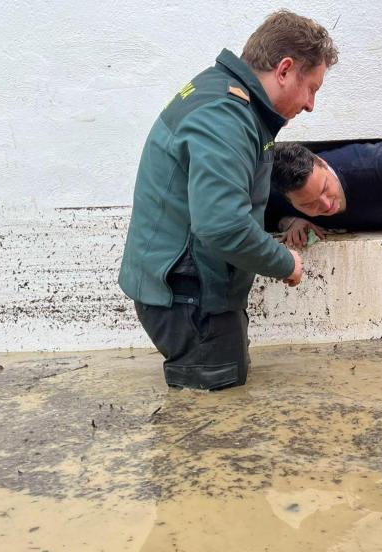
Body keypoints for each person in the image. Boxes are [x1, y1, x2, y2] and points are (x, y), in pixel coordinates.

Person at [118, 11, 338, 390]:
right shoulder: (226, 115)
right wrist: (285, 262)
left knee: (223, 392)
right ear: (285, 69)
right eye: (312, 88)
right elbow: (222, 223)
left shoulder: (229, 101)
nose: (310, 104)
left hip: (196, 291)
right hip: (189, 298)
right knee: (212, 418)